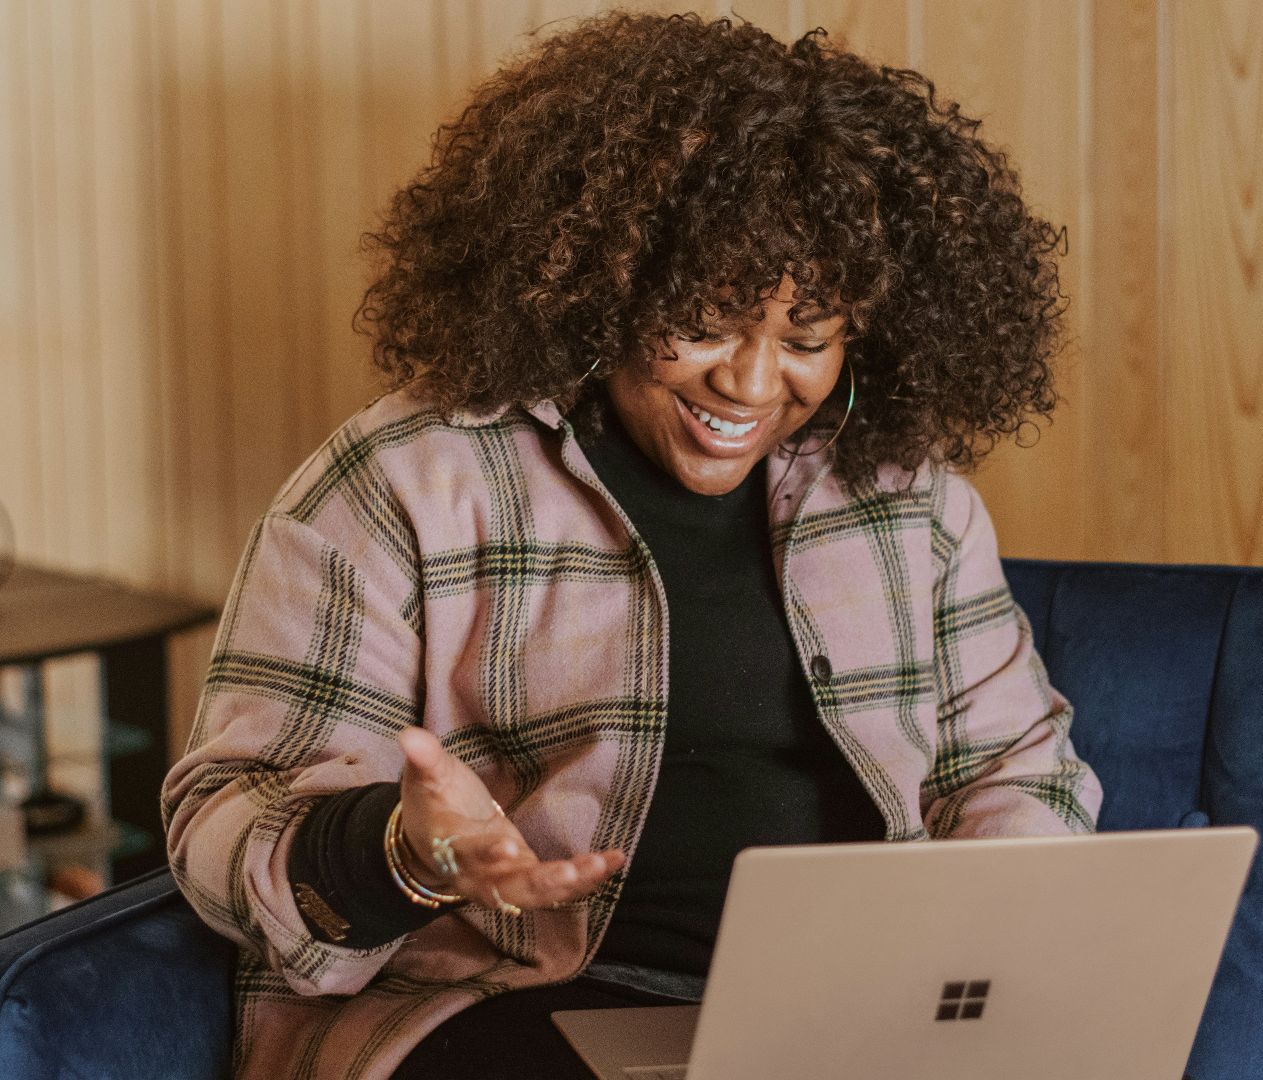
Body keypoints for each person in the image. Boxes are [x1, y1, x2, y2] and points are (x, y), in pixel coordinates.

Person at [161, 11, 1100, 1079]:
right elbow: (222, 817)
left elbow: (1018, 770)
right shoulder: (404, 482)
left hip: (839, 1016)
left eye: (806, 340)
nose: (750, 385)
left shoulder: (911, 501)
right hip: (503, 1001)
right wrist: (400, 851)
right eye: (704, 320)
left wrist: (986, 950)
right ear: (606, 282)